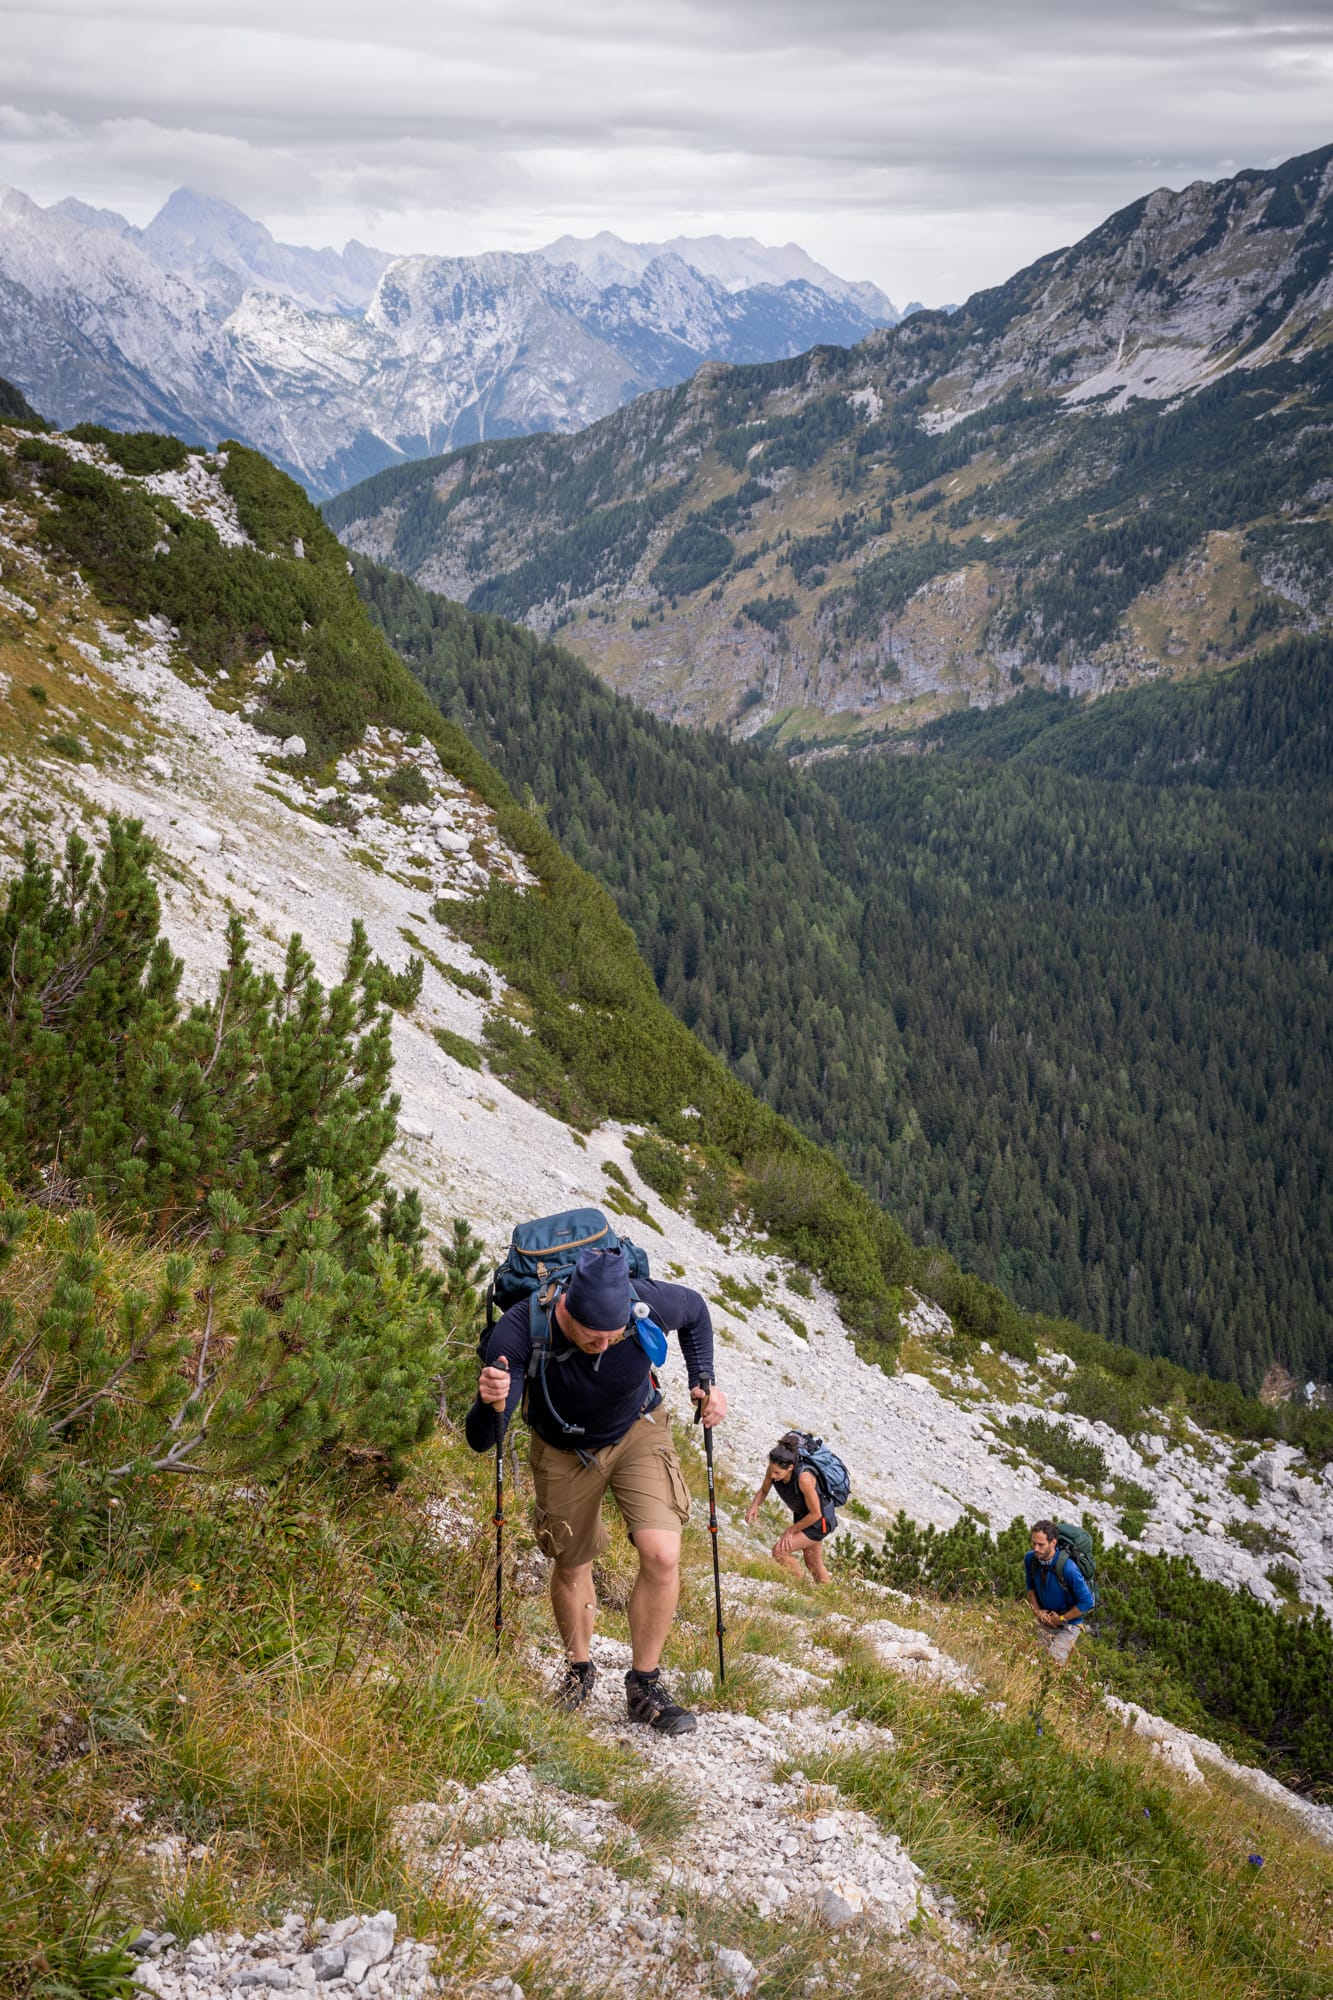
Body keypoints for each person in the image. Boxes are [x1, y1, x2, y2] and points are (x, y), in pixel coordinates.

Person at [467, 1243, 726, 1736]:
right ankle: (578, 1670)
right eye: (594, 1337)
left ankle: (645, 1684)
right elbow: (483, 1440)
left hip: (638, 1427)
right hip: (562, 1447)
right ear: (566, 1309)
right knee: (571, 1560)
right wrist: (490, 1403)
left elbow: (694, 1310)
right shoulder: (521, 1330)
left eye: (615, 1336)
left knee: (663, 1553)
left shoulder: (644, 1301)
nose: (605, 1346)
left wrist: (705, 1380)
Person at [744, 1433, 836, 1585]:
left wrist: (790, 1531)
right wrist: (754, 1506)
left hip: (819, 1521)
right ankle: (831, 1598)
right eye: (771, 1471)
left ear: (791, 1468)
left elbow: (816, 1513)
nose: (773, 1476)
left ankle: (798, 1588)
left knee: (780, 1551)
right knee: (813, 1563)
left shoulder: (804, 1479)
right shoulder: (774, 1469)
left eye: (777, 1473)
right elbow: (764, 1490)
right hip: (803, 1517)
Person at [1024, 1520, 1094, 1663]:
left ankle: (1055, 1684)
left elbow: (1087, 1602)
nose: (1036, 1548)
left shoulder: (1068, 1568)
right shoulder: (1030, 1559)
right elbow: (1030, 1586)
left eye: (1041, 1544)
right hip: (1046, 1618)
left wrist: (1061, 1618)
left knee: (1054, 1661)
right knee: (1037, 1658)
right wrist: (1037, 1611)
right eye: (1034, 1543)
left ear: (1053, 1543)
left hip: (1070, 1622)